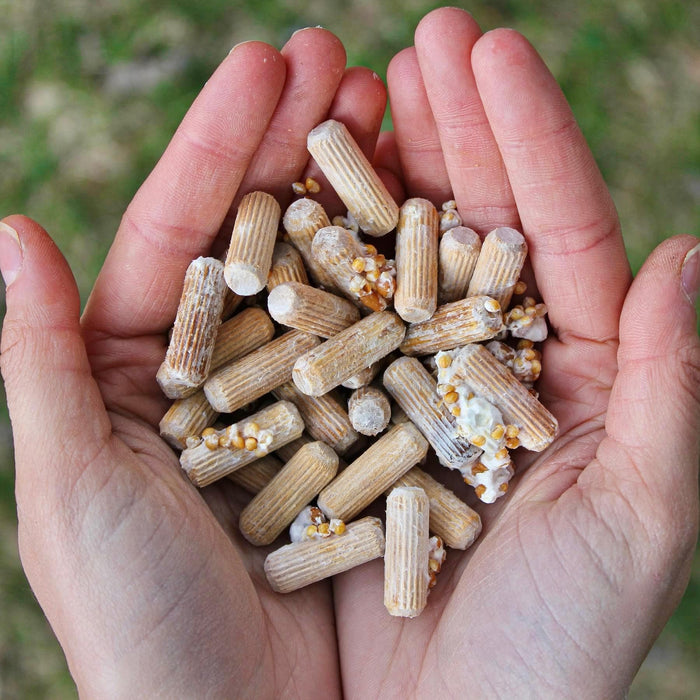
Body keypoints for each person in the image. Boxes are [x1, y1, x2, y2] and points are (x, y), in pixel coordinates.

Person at [1, 7, 698, 698]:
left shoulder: (400, 349)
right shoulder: (304, 358)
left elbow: (393, 355)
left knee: (355, 367)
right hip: (334, 405)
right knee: (283, 388)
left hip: (390, 390)